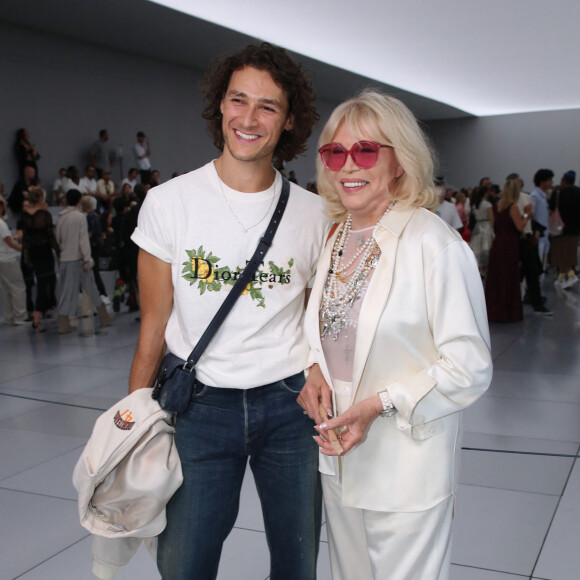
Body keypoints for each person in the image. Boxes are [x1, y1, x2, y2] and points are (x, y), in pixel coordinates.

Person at [127, 42, 327, 580]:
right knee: (185, 561)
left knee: (297, 560)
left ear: (288, 122)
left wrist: (316, 373)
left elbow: (318, 323)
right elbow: (153, 326)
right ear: (220, 106)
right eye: (238, 100)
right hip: (198, 406)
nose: (249, 118)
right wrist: (134, 422)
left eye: (268, 106)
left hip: (290, 409)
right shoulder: (169, 203)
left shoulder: (314, 215)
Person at [297, 90, 492, 580]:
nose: (348, 166)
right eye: (335, 153)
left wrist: (378, 403)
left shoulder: (434, 244)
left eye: (365, 151)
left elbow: (469, 367)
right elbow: (325, 327)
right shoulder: (337, 235)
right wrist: (312, 369)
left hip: (407, 468)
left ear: (399, 163)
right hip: (340, 458)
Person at [55, 189, 111, 335]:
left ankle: (64, 322)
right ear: (79, 200)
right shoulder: (79, 217)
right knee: (88, 288)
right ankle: (103, 317)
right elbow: (83, 240)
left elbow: (58, 238)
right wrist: (88, 258)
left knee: (69, 290)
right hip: (79, 259)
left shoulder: (61, 216)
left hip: (65, 258)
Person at [485, 180, 543, 320]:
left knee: (496, 278)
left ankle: (493, 311)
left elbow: (494, 227)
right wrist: (527, 214)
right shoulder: (513, 207)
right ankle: (507, 312)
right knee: (509, 277)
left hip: (497, 244)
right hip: (510, 245)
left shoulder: (494, 207)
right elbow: (520, 226)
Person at [19, 186, 59, 332]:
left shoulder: (25, 217)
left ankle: (40, 314)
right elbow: (51, 237)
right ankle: (37, 318)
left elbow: (26, 241)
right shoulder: (44, 215)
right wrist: (59, 251)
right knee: (44, 284)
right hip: (45, 253)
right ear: (41, 198)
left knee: (42, 284)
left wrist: (26, 257)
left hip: (33, 254)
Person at [0, 195, 28, 325]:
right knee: (18, 287)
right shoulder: (1, 224)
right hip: (7, 259)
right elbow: (9, 242)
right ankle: (20, 316)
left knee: (6, 289)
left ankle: (9, 317)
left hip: (1, 259)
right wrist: (23, 250)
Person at [551, 170, 580, 289]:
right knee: (570, 255)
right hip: (576, 230)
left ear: (564, 179)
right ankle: (560, 279)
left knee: (560, 256)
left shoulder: (558, 193)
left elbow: (551, 208)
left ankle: (572, 276)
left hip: (560, 229)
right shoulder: (578, 192)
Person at [530, 168, 554, 271]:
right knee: (537, 265)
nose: (551, 182)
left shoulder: (543, 197)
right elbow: (532, 216)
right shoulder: (535, 196)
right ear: (542, 181)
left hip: (544, 234)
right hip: (538, 235)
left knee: (542, 264)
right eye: (549, 180)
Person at [469, 185, 495, 276]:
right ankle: (485, 269)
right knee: (486, 248)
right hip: (486, 226)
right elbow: (491, 218)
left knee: (477, 247)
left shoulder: (475, 204)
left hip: (478, 226)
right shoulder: (488, 204)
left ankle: (479, 268)